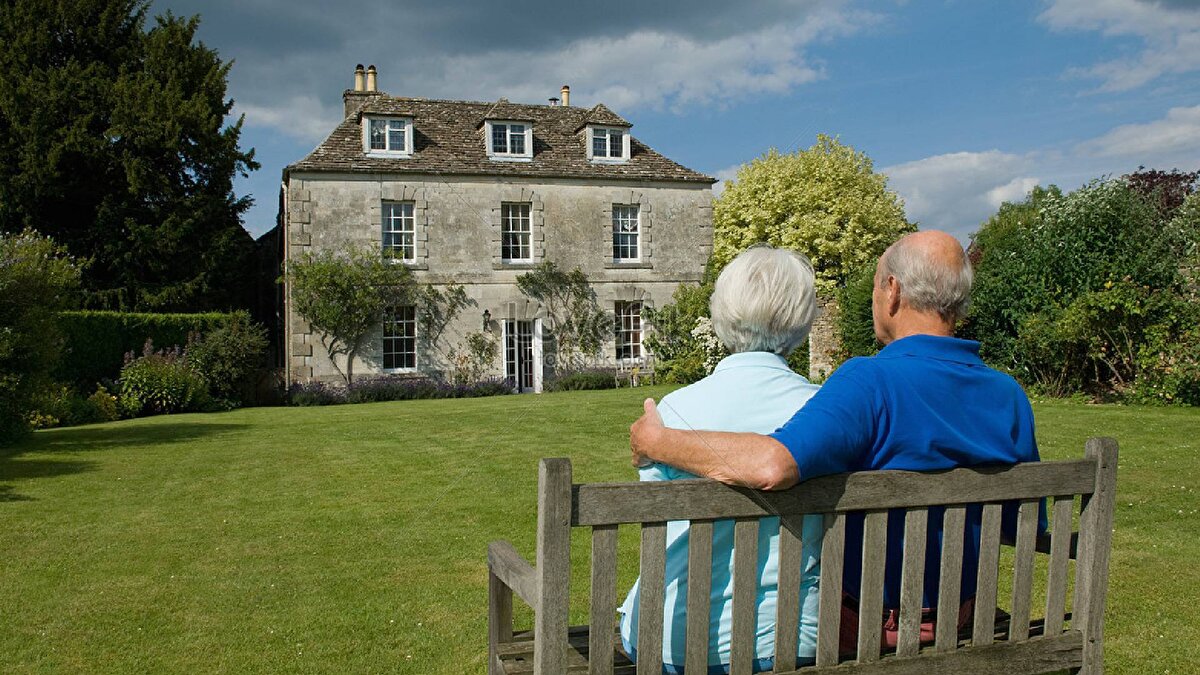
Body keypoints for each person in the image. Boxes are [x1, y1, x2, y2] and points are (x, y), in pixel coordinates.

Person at [630, 230, 1044, 651]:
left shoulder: (869, 382)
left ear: (893, 292)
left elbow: (774, 465)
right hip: (961, 618)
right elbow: (1021, 524)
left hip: (868, 628)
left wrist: (656, 440)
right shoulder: (1009, 395)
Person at [619, 246, 824, 673]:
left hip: (674, 642)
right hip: (797, 636)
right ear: (803, 321)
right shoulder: (826, 411)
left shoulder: (670, 416)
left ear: (721, 315)